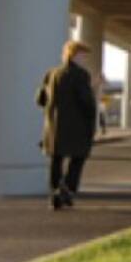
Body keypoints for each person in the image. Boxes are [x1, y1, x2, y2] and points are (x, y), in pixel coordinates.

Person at [36, 40, 98, 211]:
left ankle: (55, 191)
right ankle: (68, 189)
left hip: (53, 125)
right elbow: (86, 102)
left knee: (56, 159)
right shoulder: (80, 75)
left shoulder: (51, 74)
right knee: (78, 158)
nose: (84, 59)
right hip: (77, 124)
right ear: (75, 55)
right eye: (83, 56)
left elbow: (40, 100)